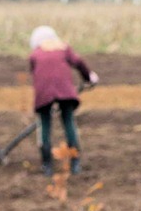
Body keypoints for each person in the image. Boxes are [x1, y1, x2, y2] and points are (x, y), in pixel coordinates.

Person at [28, 25, 98, 175]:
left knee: (44, 124)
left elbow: (37, 75)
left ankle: (47, 166)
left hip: (43, 93)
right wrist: (89, 77)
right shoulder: (64, 49)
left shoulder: (34, 55)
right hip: (65, 91)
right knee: (68, 122)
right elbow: (79, 62)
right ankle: (75, 164)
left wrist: (49, 96)